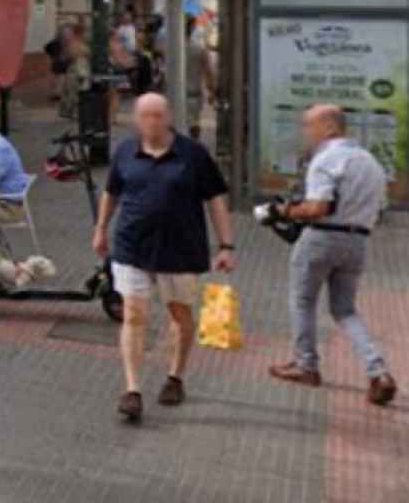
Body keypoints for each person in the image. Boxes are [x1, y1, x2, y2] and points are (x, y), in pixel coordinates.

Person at [92, 93, 235, 424]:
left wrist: (226, 245)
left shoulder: (192, 155)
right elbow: (111, 192)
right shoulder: (126, 152)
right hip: (132, 246)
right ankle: (132, 389)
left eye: (158, 115)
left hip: (180, 249)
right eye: (145, 116)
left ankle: (175, 376)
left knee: (179, 314)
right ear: (136, 120)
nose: (152, 122)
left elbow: (215, 198)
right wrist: (101, 229)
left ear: (169, 117)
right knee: (134, 314)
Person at [267, 105, 396, 406]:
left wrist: (282, 211)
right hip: (358, 242)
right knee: (345, 310)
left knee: (302, 300)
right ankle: (378, 371)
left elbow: (318, 208)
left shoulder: (326, 159)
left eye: (309, 125)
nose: (305, 133)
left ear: (329, 128)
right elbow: (379, 207)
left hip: (322, 238)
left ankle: (306, 365)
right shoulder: (370, 162)